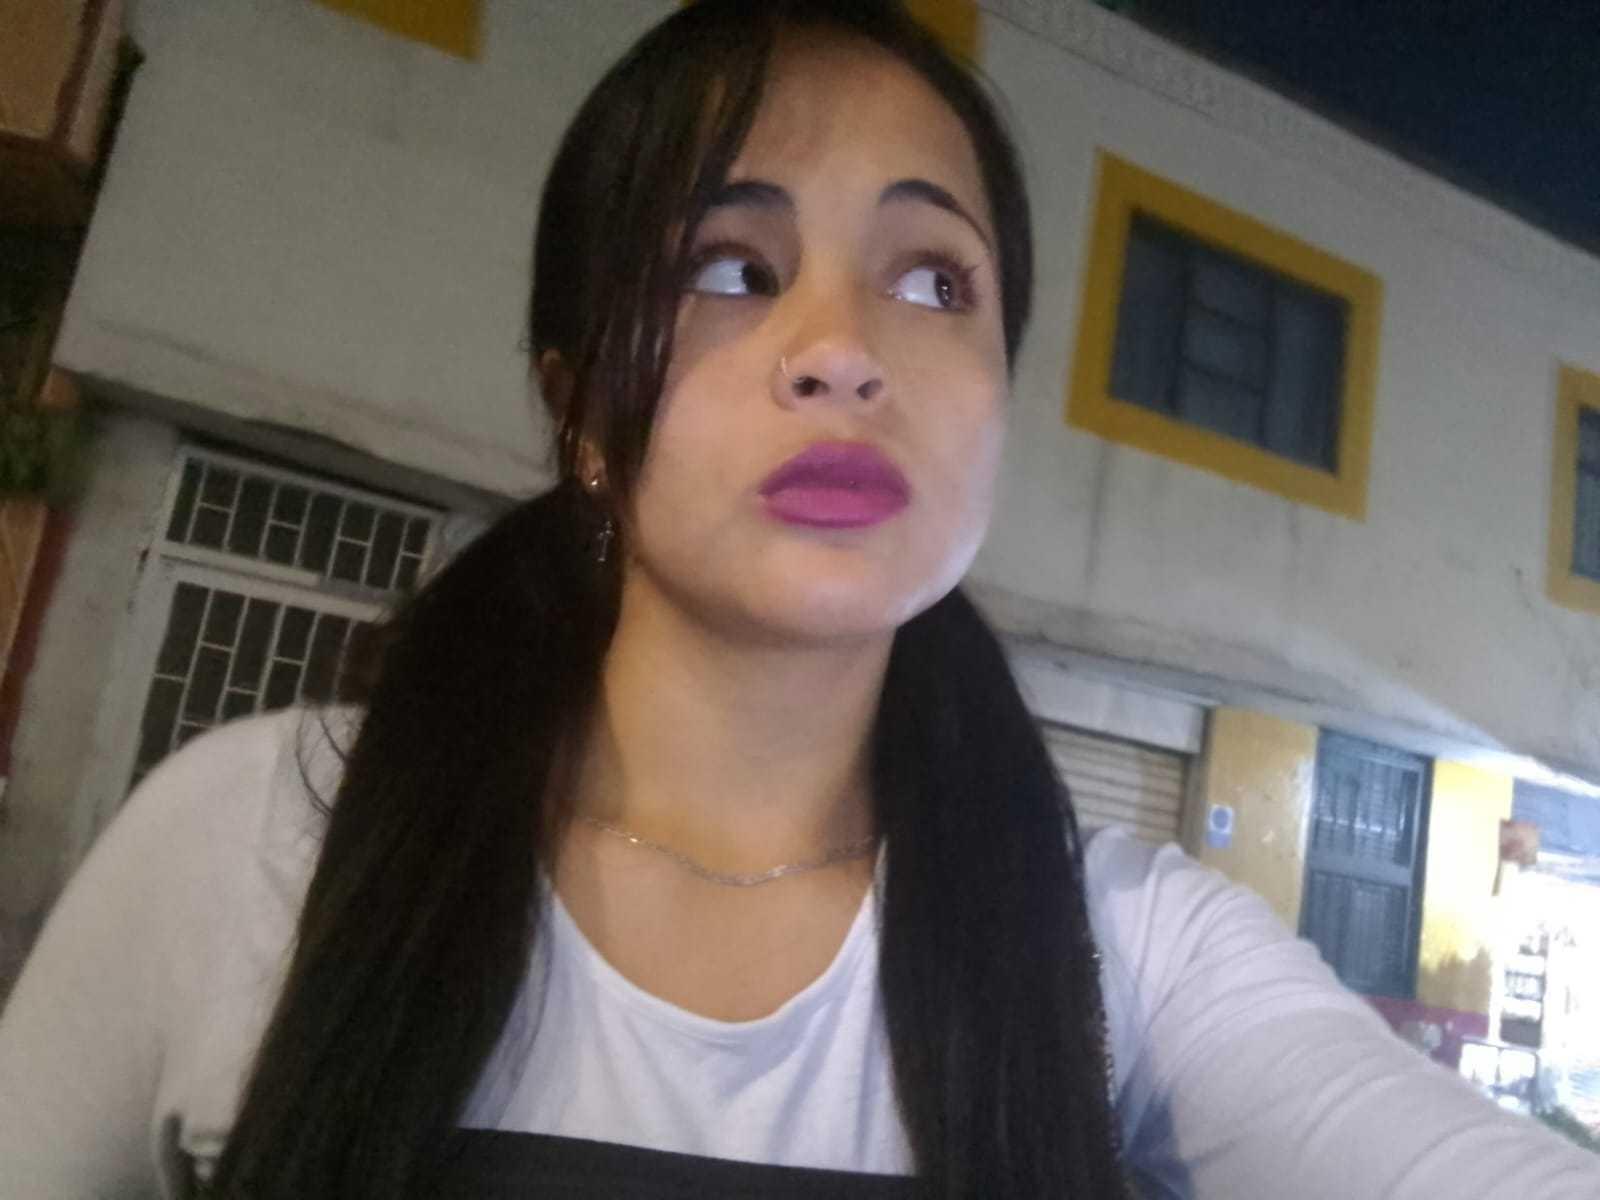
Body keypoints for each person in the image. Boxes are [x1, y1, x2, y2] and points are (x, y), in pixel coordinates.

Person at [1, 1, 1597, 1196]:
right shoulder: (252, 851)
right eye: (731, 268)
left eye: (933, 281)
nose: (842, 351)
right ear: (580, 413)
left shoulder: (1128, 953)